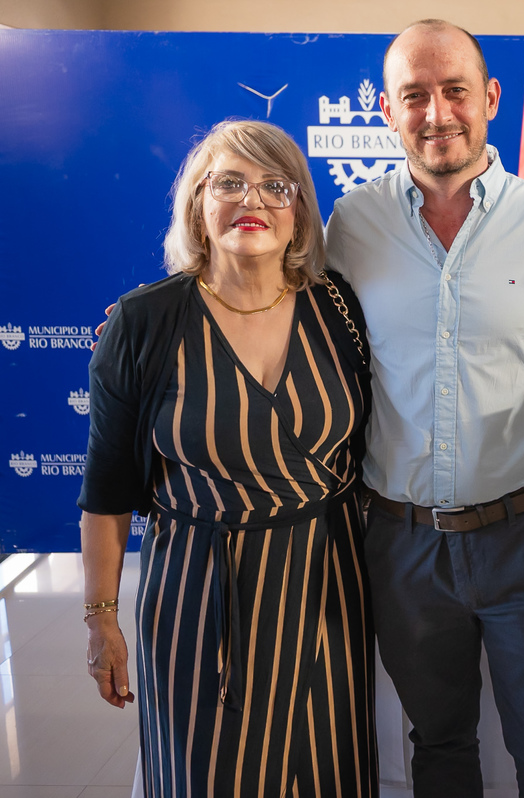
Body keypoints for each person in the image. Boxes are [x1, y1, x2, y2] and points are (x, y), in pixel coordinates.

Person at [322, 19, 524, 797]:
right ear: (388, 112)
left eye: (454, 90)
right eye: (414, 96)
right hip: (402, 546)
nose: (437, 114)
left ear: (490, 98)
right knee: (440, 749)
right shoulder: (351, 226)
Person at [79, 119, 377, 797]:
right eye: (230, 183)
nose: (254, 201)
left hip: (328, 582)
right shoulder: (143, 322)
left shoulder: (340, 308)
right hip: (198, 592)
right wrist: (100, 617)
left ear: (300, 210)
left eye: (277, 186)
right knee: (208, 778)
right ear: (197, 205)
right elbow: (107, 490)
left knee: (330, 772)